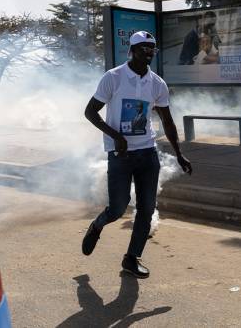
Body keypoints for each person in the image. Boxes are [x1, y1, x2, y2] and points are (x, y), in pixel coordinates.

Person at [82, 31, 192, 278]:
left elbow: (167, 121)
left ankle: (131, 258)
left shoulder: (157, 84)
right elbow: (90, 112)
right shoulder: (113, 78)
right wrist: (116, 136)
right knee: (117, 209)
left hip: (147, 153)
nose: (149, 52)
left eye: (152, 48)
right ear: (131, 50)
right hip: (120, 154)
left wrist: (179, 154)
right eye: (144, 47)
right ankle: (97, 226)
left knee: (146, 209)